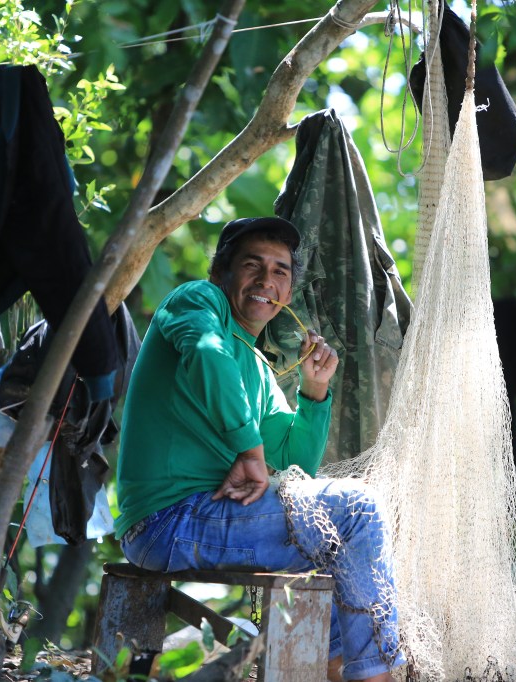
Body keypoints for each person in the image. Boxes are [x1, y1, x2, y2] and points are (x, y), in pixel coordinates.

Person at [114, 216, 404, 682]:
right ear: (222, 273)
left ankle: (335, 664)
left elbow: (294, 465)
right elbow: (207, 354)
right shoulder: (198, 301)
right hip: (167, 520)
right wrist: (250, 453)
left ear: (287, 294)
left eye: (280, 272)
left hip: (205, 520)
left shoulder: (256, 365)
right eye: (253, 266)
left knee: (342, 525)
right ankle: (376, 676)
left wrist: (314, 390)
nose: (266, 281)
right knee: (358, 508)